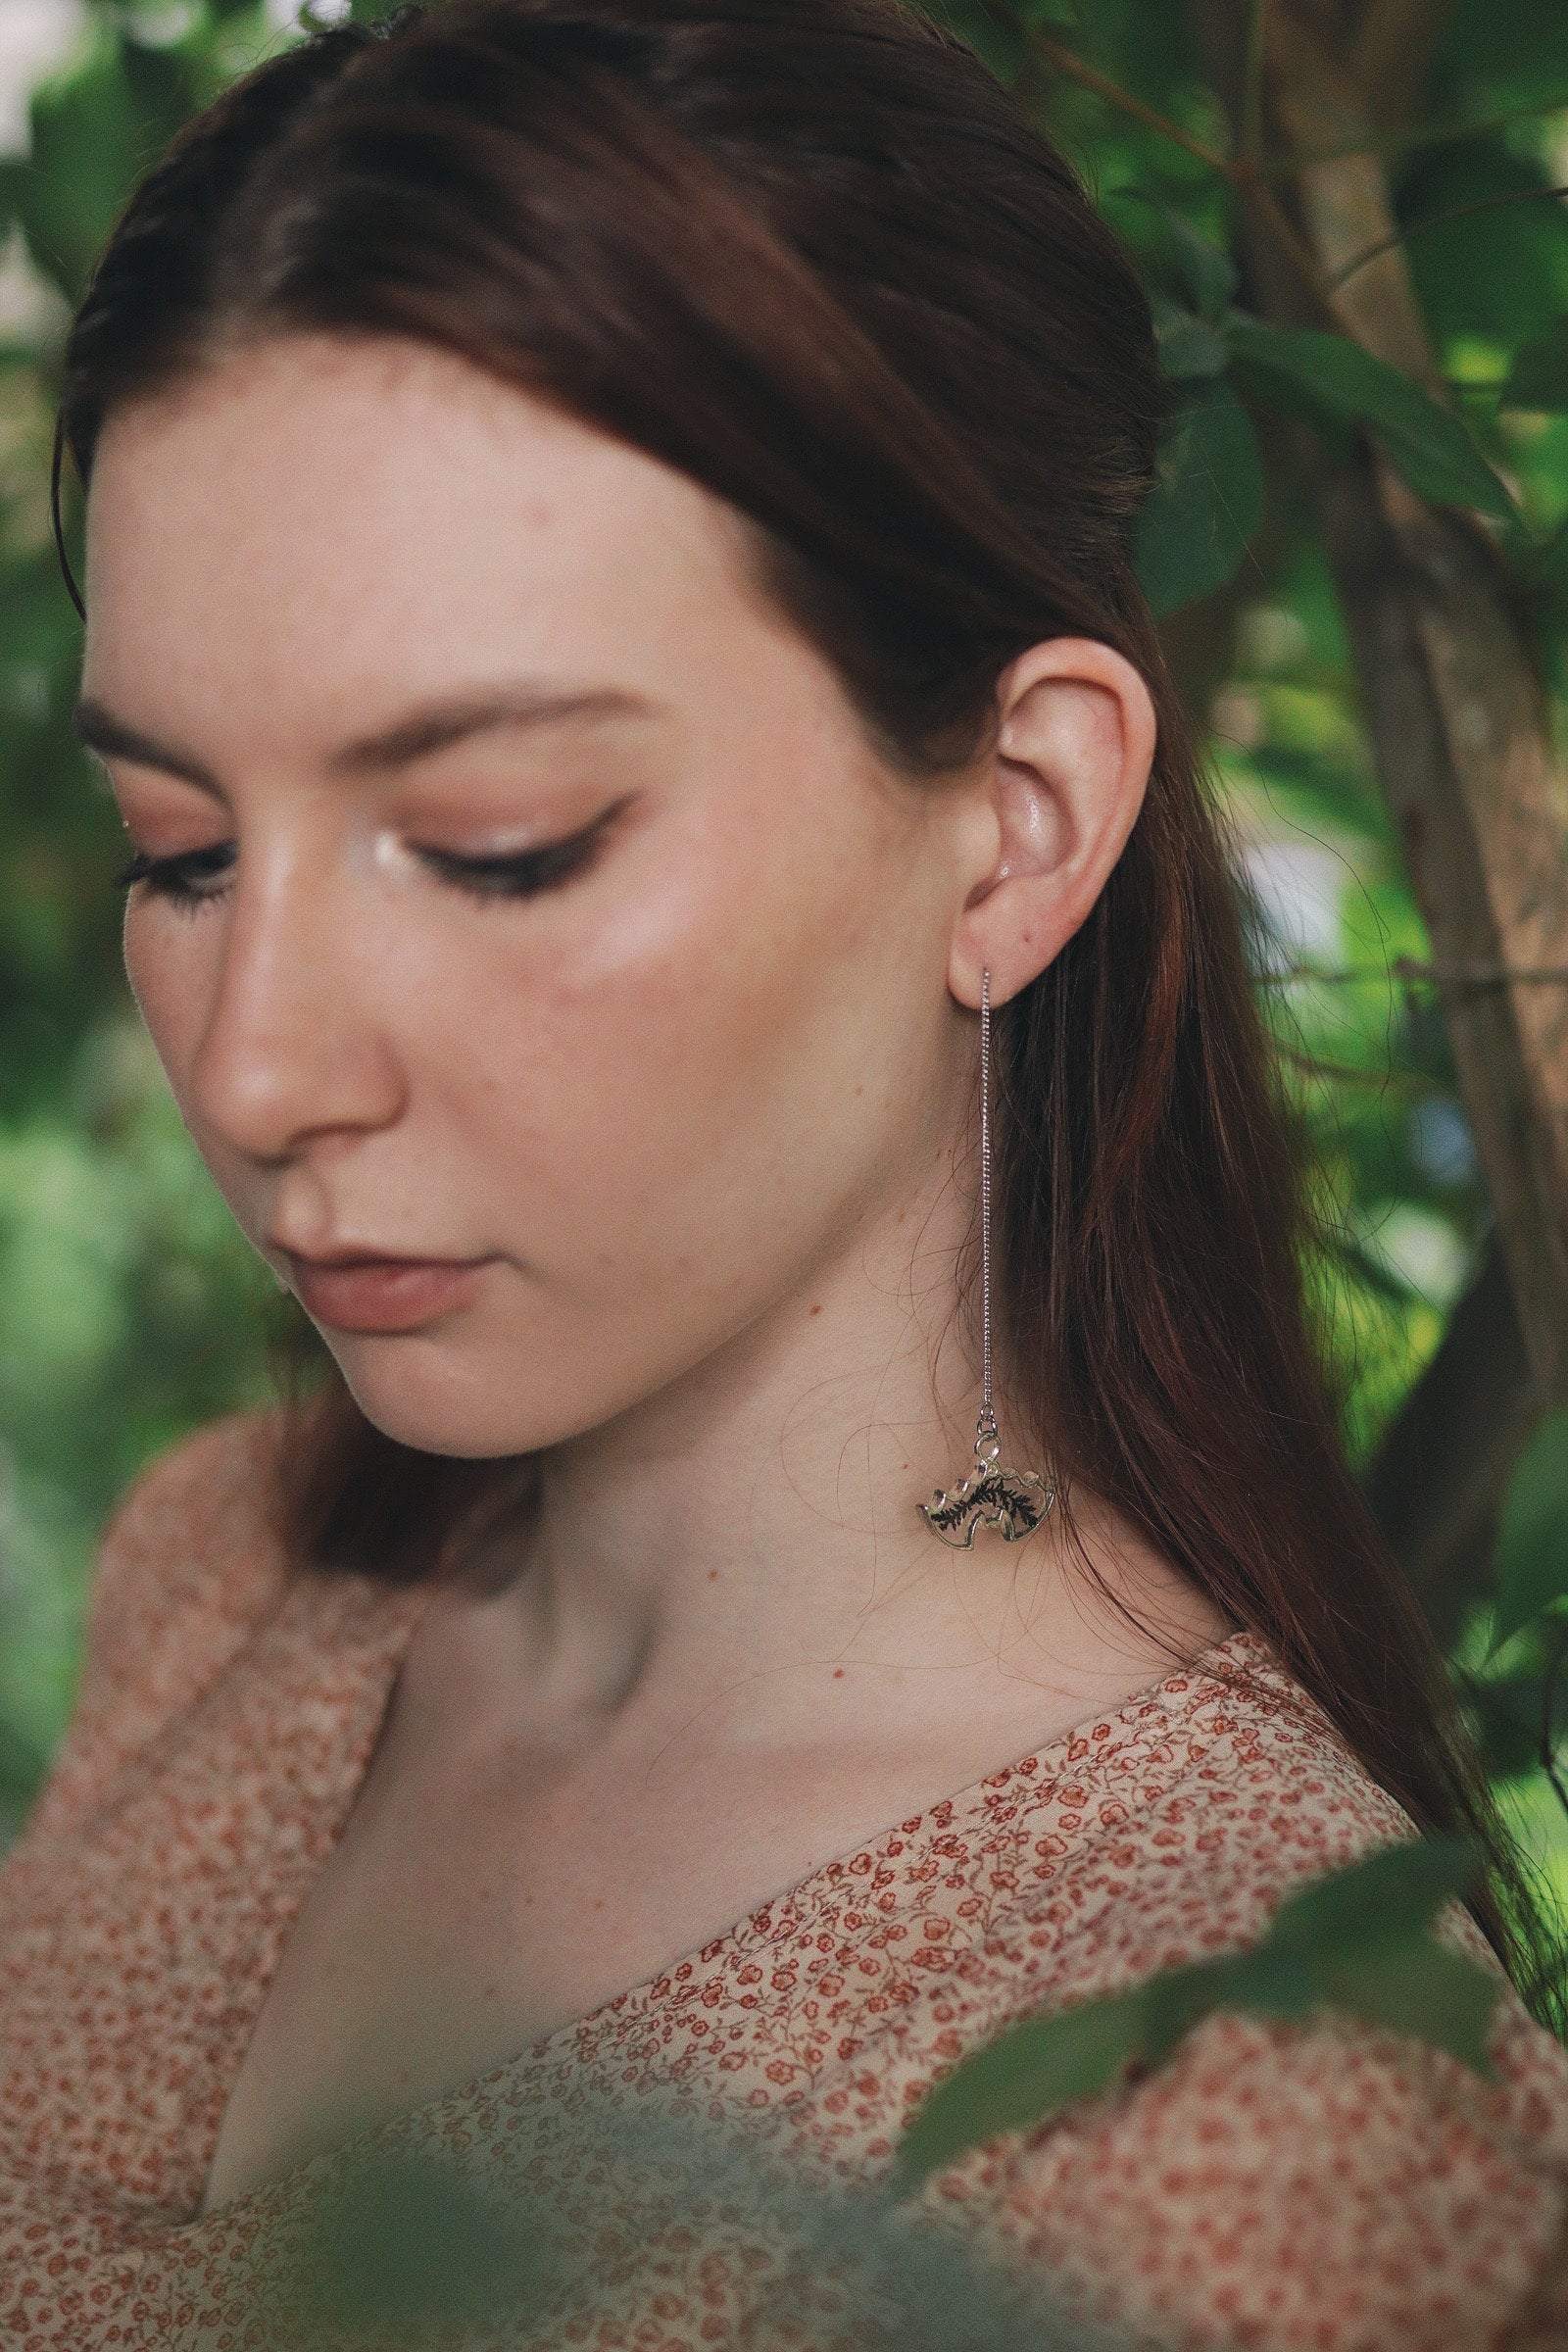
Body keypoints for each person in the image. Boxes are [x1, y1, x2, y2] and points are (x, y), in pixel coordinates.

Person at [2, 0, 1566, 2343]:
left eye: (498, 847)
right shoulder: (224, 1579)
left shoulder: (1243, 2112)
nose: (258, 1070)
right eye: (185, 850)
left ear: (1016, 822)